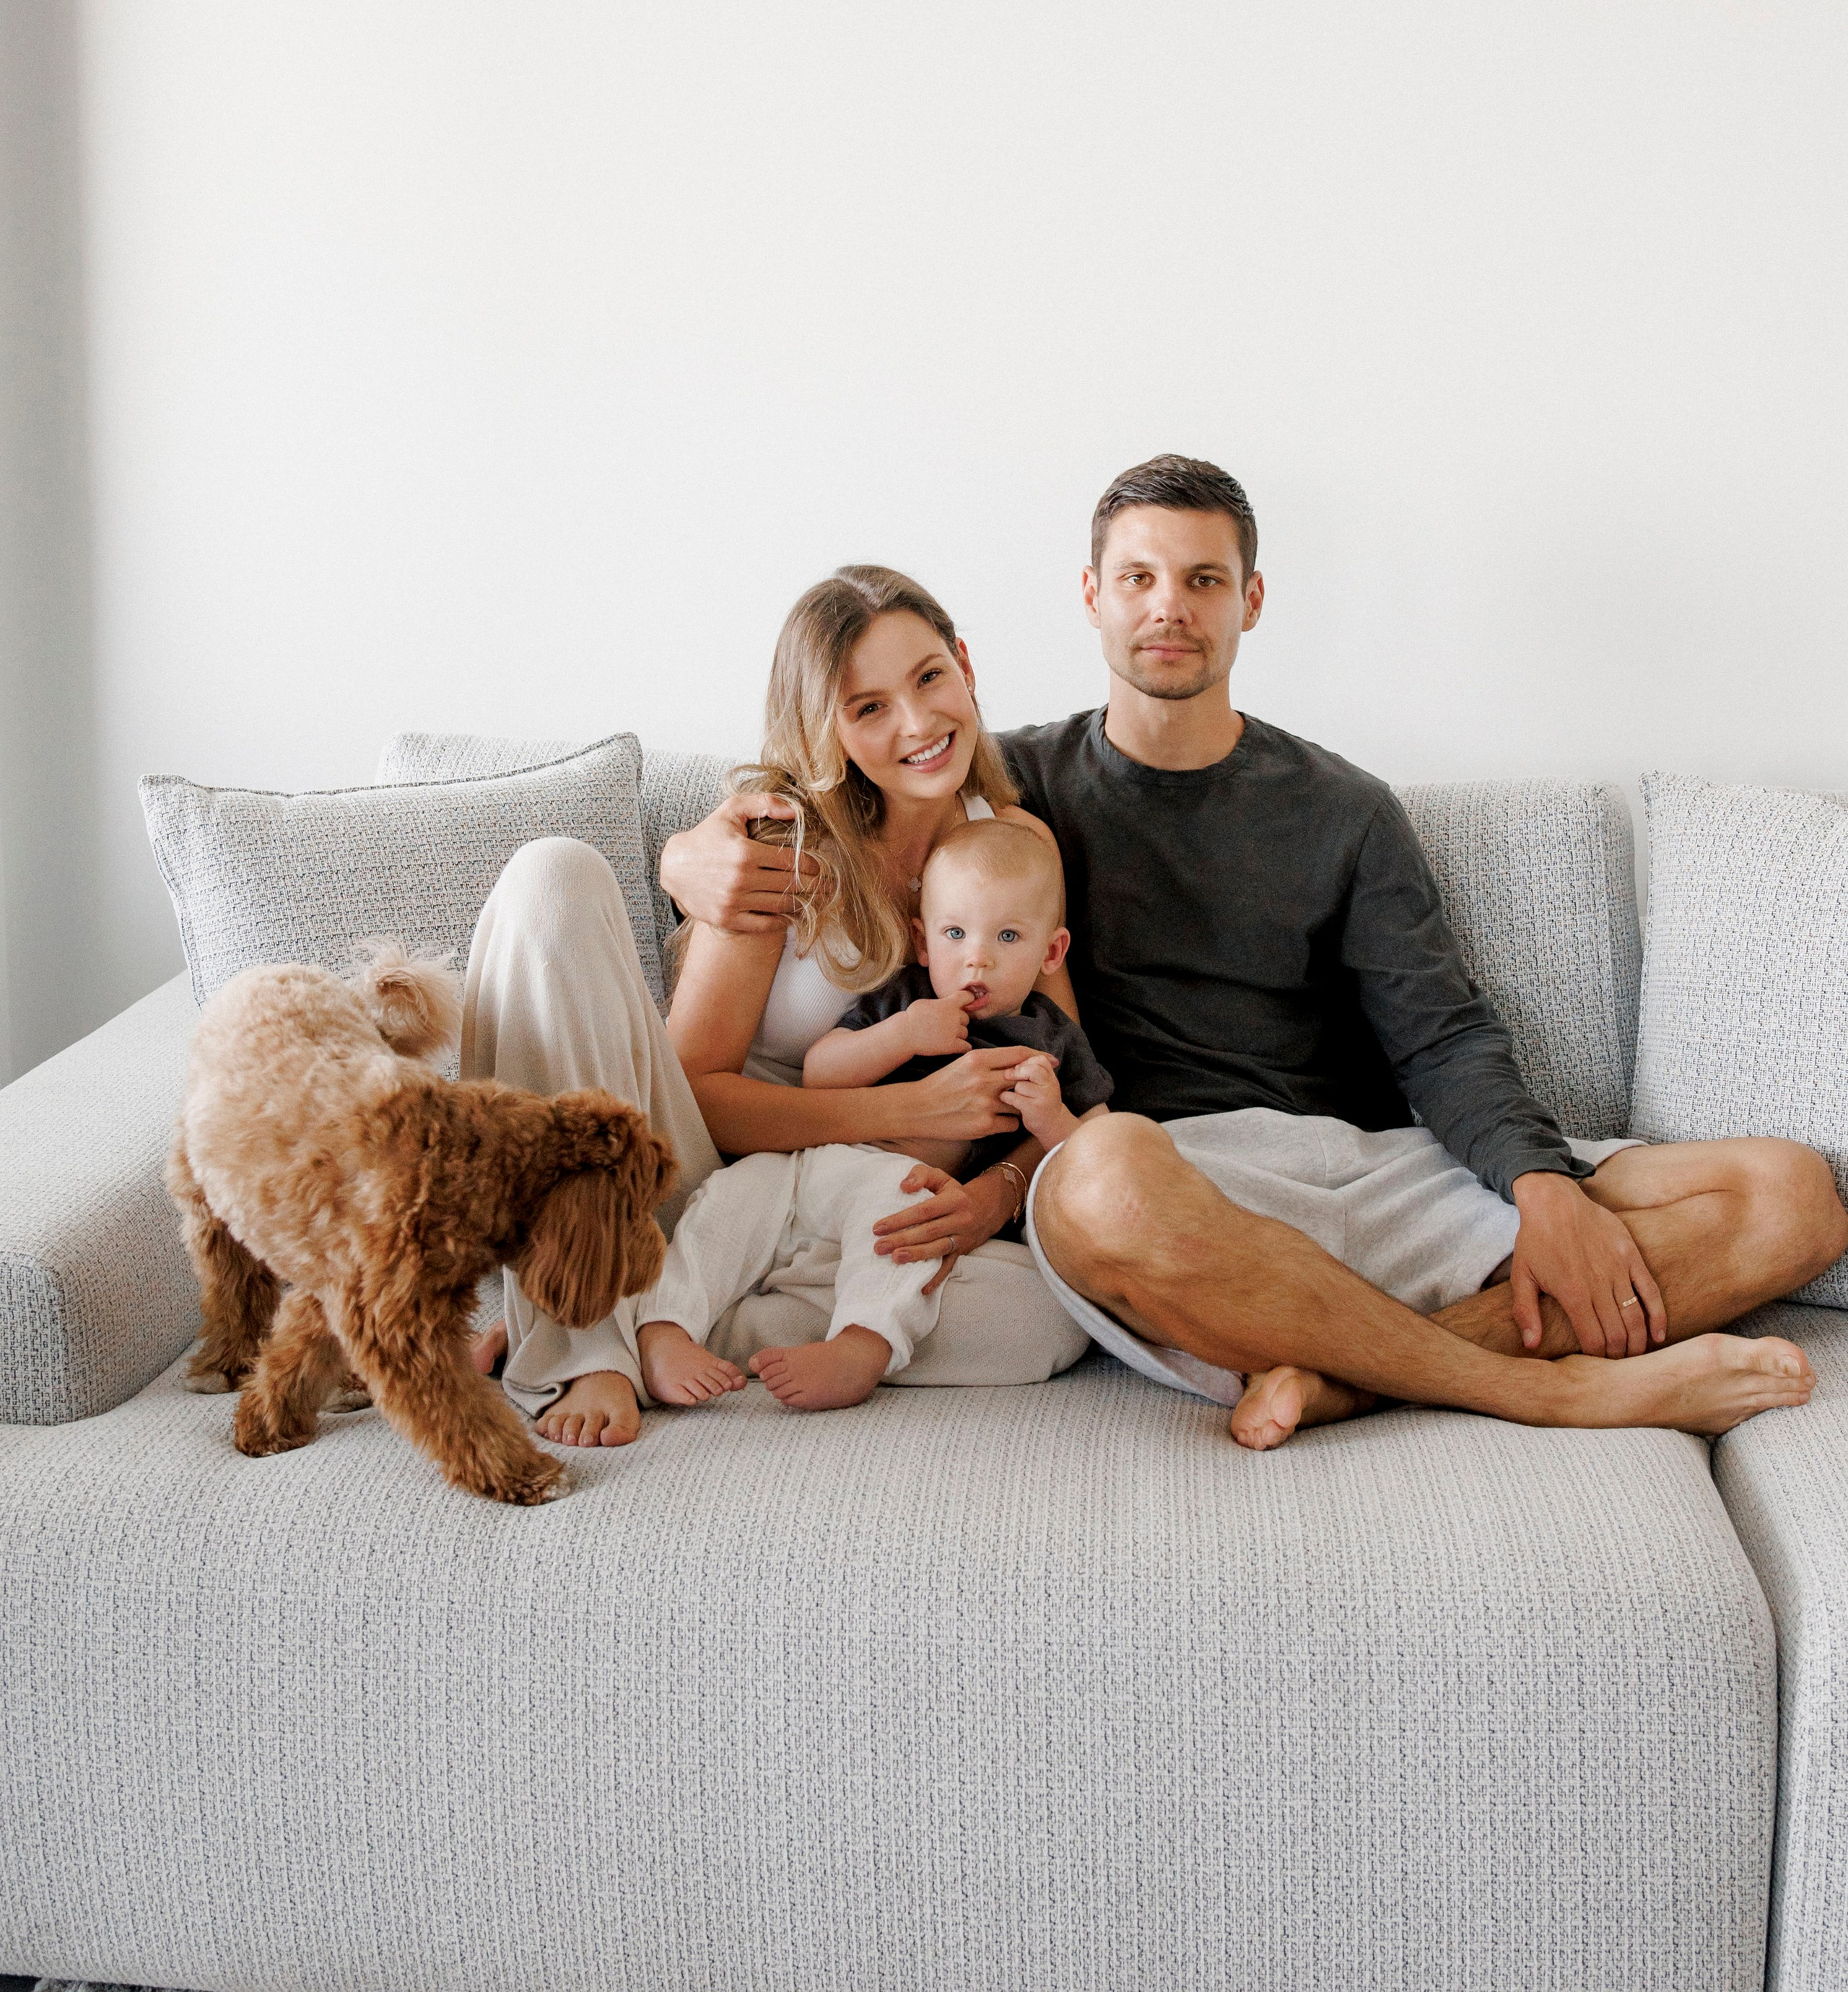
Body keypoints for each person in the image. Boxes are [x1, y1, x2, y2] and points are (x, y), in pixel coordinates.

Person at [663, 454, 1847, 1447]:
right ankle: (1549, 1387)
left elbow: (1441, 1032)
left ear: (1251, 600)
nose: (1168, 607)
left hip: (1365, 1164)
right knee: (1100, 1172)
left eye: (1202, 579)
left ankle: (1343, 1377)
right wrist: (688, 860)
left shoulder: (1347, 808)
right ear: (1091, 596)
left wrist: (1540, 1184)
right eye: (1138, 577)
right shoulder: (997, 794)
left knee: (1792, 1197)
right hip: (1168, 1188)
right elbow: (840, 799)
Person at [465, 564, 1091, 1446]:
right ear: (823, 729)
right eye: (866, 706)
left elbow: (1062, 1060)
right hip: (711, 1184)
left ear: (965, 667)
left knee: (1045, 1320)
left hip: (863, 1210)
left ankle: (659, 1314)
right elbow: (700, 1098)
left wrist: (997, 1193)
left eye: (927, 678)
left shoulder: (1013, 843)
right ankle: (586, 1347)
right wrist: (912, 1106)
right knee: (551, 874)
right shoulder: (776, 848)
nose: (916, 723)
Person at [632, 815, 1112, 1413]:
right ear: (922, 940)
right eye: (956, 933)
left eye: (1007, 938)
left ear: (1052, 950)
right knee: (730, 1201)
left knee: (926, 1245)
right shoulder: (904, 998)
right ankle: (666, 1330)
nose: (977, 961)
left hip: (904, 1188)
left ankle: (859, 1345)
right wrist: (902, 1036)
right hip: (809, 1167)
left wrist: (1051, 1119)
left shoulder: (1050, 1039)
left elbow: (1095, 1140)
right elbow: (822, 1070)